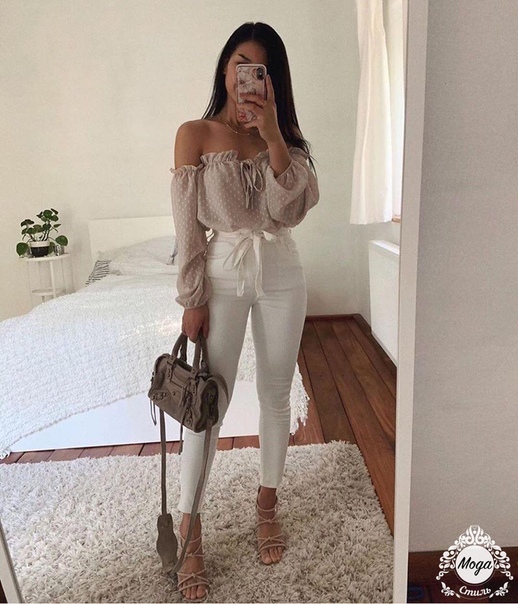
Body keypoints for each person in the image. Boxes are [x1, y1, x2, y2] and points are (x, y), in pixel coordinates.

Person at [169, 21, 319, 602]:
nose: (247, 77)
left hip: (282, 269)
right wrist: (192, 297)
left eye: (260, 68)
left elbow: (289, 210)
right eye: (240, 63)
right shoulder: (194, 134)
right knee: (207, 406)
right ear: (225, 68)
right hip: (224, 271)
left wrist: (274, 133)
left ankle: (267, 504)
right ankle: (190, 527)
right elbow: (187, 228)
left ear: (273, 80)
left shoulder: (287, 143)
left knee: (276, 393)